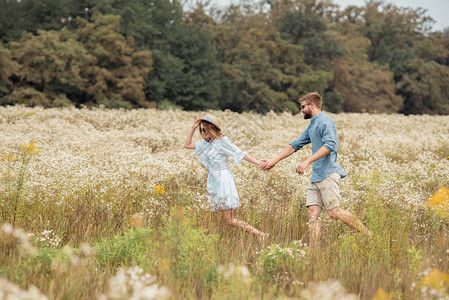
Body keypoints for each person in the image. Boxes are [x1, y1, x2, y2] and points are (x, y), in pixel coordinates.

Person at [261, 92, 372, 248]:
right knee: (312, 215)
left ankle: (368, 235)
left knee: (334, 213)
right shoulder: (312, 125)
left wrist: (307, 161)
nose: (301, 110)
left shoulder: (325, 122)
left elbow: (330, 145)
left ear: (312, 105)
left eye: (303, 107)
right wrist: (274, 160)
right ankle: (313, 254)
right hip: (316, 177)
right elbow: (295, 144)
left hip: (328, 174)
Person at [184, 114, 267, 241]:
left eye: (204, 129)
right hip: (212, 179)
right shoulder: (205, 143)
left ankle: (259, 234)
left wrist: (258, 163)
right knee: (207, 215)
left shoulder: (222, 141)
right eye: (200, 130)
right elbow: (187, 145)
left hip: (222, 179)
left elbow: (239, 153)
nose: (202, 132)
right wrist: (193, 128)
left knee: (229, 220)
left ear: (211, 128)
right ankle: (205, 241)